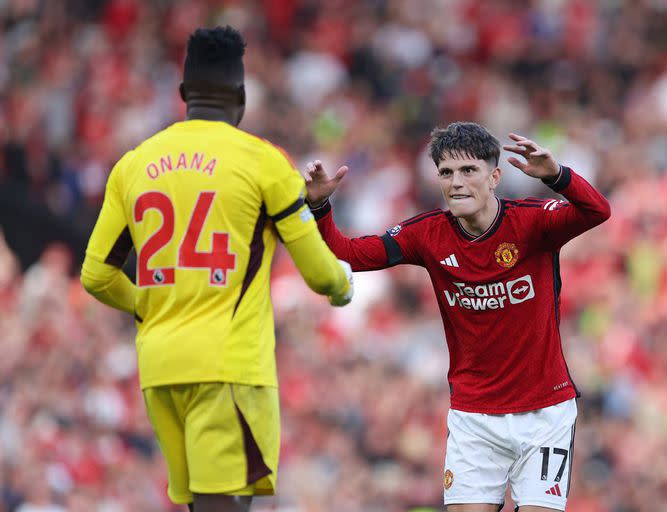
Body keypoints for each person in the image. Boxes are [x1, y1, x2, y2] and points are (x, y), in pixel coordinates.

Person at [80, 26, 353, 512]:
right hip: (228, 367)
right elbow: (319, 274)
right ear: (242, 98)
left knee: (202, 504)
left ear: (183, 95)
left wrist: (146, 305)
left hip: (160, 368)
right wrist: (342, 288)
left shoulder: (132, 164)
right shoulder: (264, 162)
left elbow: (97, 274)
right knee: (223, 506)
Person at [304, 122, 610, 512]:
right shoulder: (428, 234)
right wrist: (319, 208)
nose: (456, 182)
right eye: (446, 173)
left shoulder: (533, 223)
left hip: (543, 413)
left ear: (495, 176)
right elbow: (348, 253)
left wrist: (558, 176)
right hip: (474, 417)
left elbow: (598, 210)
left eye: (469, 171)